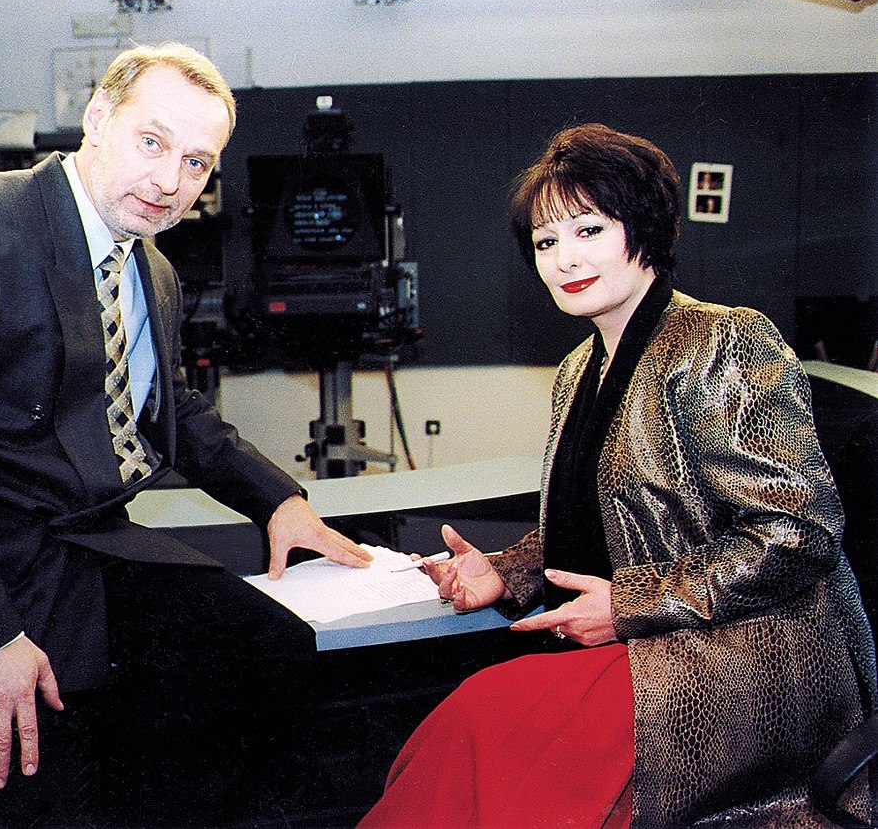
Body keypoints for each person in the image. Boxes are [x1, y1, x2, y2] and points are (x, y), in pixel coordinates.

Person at [0, 42, 371, 826]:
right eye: (152, 142)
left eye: (196, 162)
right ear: (96, 119)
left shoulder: (153, 270)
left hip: (78, 541)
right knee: (51, 785)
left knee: (270, 653)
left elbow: (169, 406)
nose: (170, 181)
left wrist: (277, 502)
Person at [360, 123, 876, 827]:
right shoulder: (579, 366)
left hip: (747, 658)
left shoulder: (724, 338)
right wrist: (505, 572)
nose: (564, 259)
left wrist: (628, 605)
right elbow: (606, 525)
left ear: (645, 230)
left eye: (589, 230)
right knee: (466, 731)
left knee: (483, 721)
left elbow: (797, 532)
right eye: (545, 242)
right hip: (648, 645)